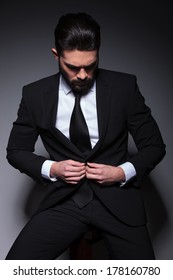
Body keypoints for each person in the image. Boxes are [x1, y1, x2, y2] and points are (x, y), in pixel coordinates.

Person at [6, 12, 166, 260]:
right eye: (72, 66)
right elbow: (16, 151)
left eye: (90, 65)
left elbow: (155, 146)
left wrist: (121, 172)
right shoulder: (34, 94)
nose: (82, 75)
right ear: (56, 55)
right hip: (64, 202)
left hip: (120, 204)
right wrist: (54, 168)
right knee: (15, 269)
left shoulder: (124, 87)